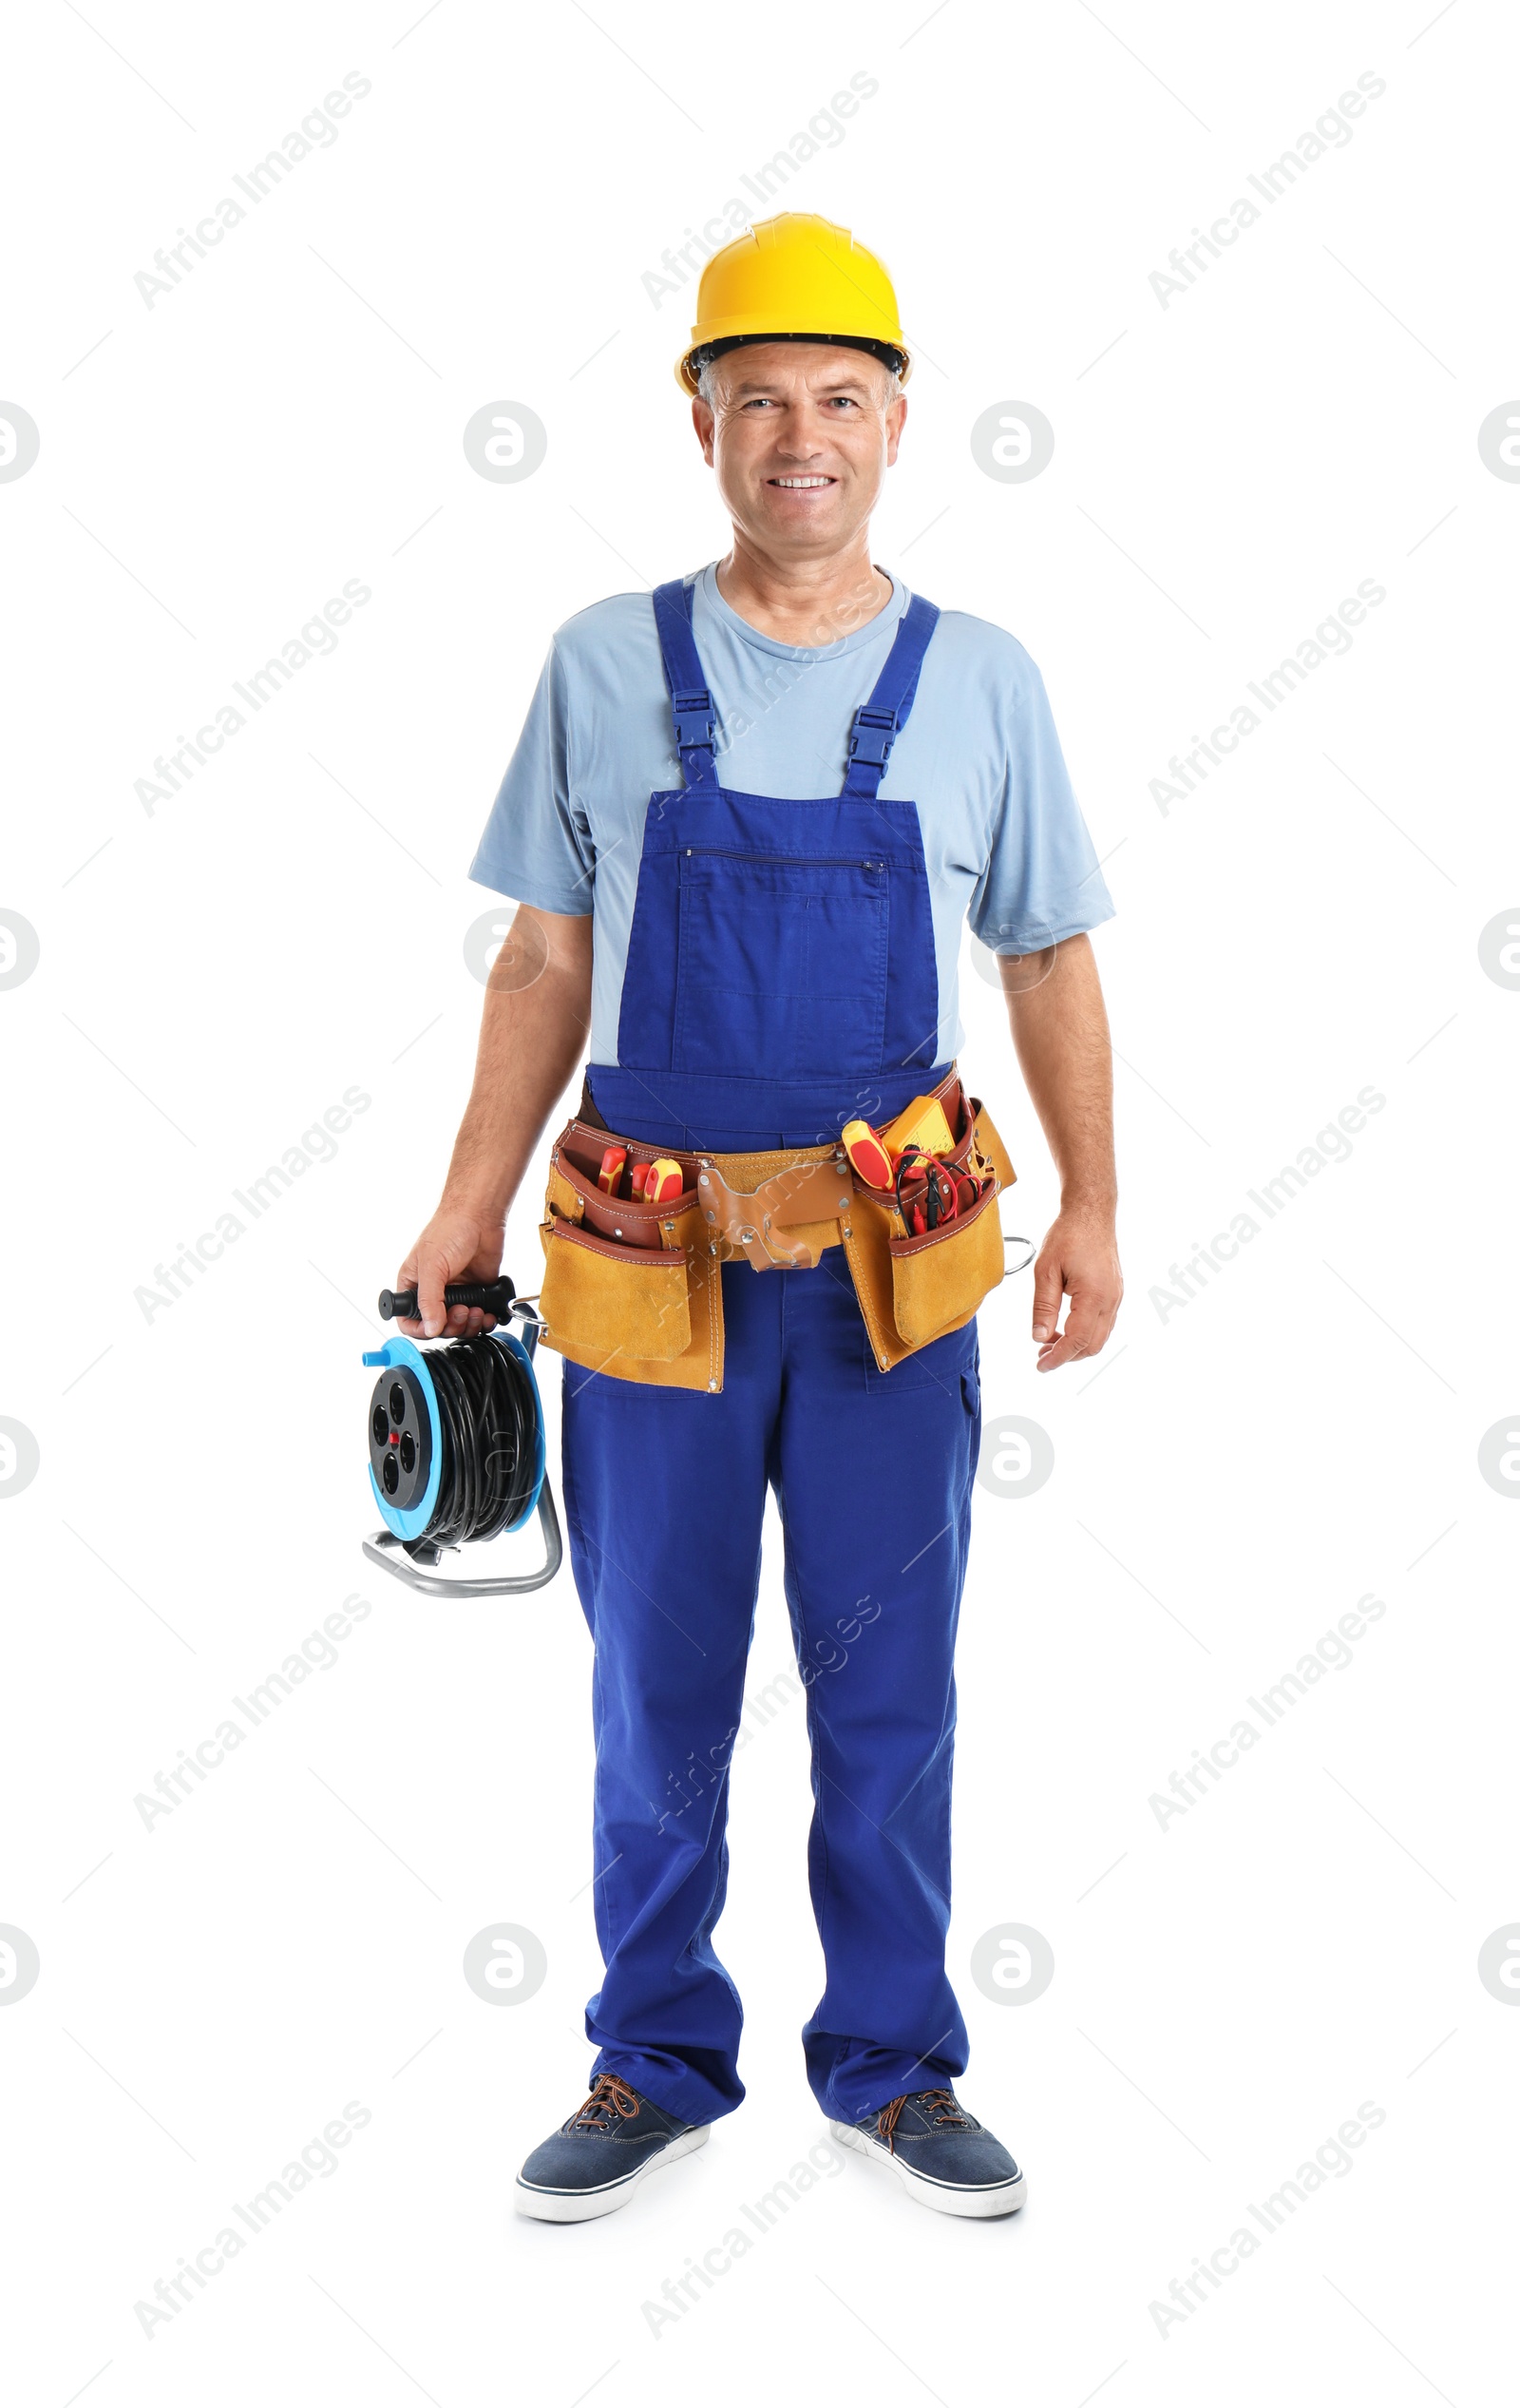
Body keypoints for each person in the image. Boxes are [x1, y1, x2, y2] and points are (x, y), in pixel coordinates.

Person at [394, 212, 1122, 2223]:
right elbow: (542, 962)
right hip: (650, 1284)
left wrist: (1093, 1207)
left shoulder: (979, 682)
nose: (796, 436)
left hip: (895, 1285)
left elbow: (1048, 959)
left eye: (836, 401)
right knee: (654, 1684)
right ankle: (651, 2059)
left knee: (889, 1692)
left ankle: (889, 2067)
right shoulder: (599, 666)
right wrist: (459, 1208)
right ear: (696, 421)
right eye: (756, 401)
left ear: (896, 426)